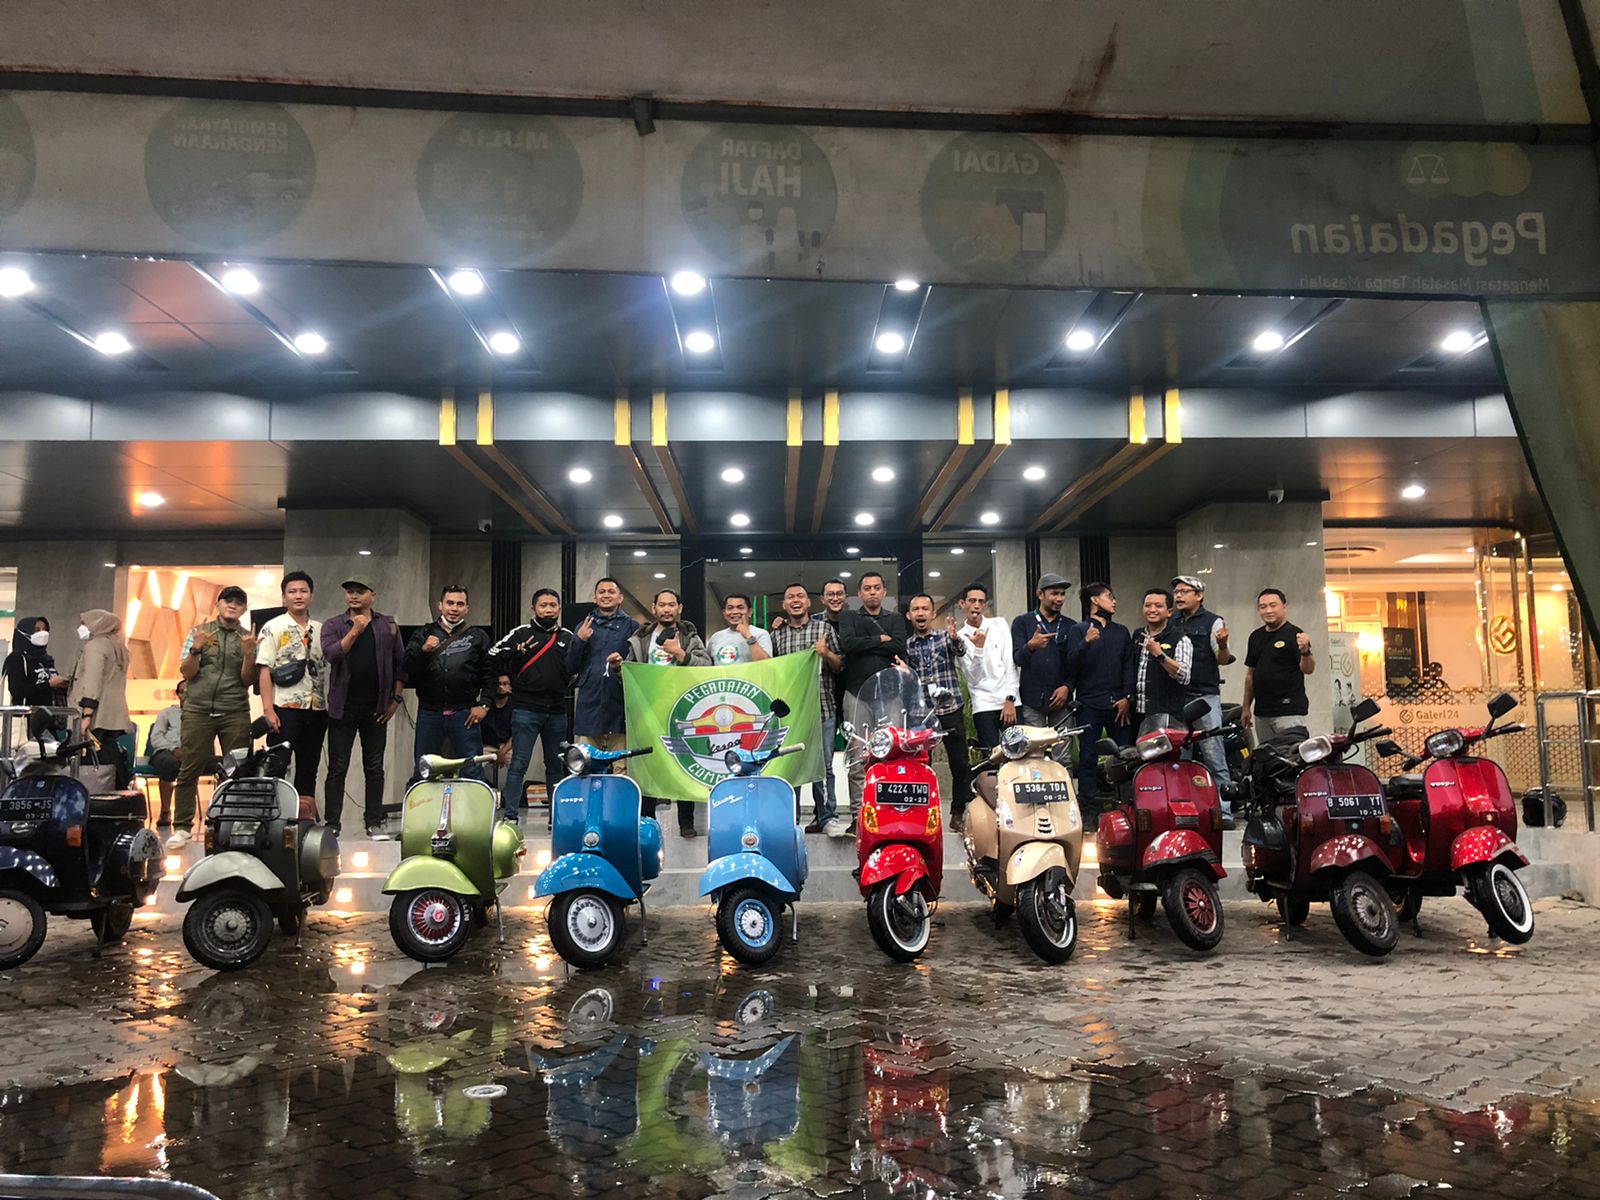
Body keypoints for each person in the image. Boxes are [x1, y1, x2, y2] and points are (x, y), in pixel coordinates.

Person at [169, 586, 257, 849]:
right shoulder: (200, 632)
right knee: (189, 769)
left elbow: (247, 680)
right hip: (198, 710)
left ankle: (235, 824)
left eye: (239, 602)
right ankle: (182, 827)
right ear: (218, 604)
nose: (232, 605)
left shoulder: (247, 637)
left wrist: (249, 654)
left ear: (244, 608)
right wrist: (196, 649)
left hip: (235, 710)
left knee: (238, 770)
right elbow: (186, 673)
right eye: (228, 600)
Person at [320, 575, 406, 839]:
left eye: (359, 591)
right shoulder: (334, 624)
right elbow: (332, 654)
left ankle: (374, 822)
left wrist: (396, 699)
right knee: (337, 767)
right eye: (349, 592)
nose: (354, 596)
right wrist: (355, 630)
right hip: (342, 708)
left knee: (374, 767)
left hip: (377, 708)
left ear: (373, 595)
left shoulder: (388, 625)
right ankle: (332, 823)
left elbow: (400, 664)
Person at [624, 587, 711, 836]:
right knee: (648, 764)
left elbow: (706, 666)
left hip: (682, 709)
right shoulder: (640, 638)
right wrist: (620, 668)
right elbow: (630, 673)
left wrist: (679, 653)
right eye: (661, 605)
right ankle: (647, 822)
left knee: (683, 762)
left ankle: (686, 822)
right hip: (648, 710)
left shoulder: (690, 637)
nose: (666, 609)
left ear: (679, 608)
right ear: (654, 609)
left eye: (671, 604)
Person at [489, 588, 575, 823]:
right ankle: (511, 817)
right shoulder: (521, 633)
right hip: (525, 709)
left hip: (557, 711)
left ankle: (557, 818)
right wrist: (516, 652)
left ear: (559, 608)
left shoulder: (568, 636)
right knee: (519, 764)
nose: (548, 610)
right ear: (534, 608)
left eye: (553, 605)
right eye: (543, 605)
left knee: (555, 766)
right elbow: (493, 654)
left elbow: (577, 667)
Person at [837, 571, 910, 837]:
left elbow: (899, 645)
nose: (872, 592)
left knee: (892, 753)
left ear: (884, 592)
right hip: (856, 693)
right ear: (859, 594)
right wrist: (880, 640)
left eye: (876, 588)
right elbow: (848, 644)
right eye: (866, 588)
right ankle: (858, 816)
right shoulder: (849, 617)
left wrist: (867, 644)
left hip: (890, 695)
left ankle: (890, 813)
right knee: (858, 756)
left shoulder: (895, 619)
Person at [770, 582, 843, 833]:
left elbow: (840, 666)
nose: (796, 600)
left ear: (809, 602)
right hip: (790, 713)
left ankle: (827, 817)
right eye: (790, 597)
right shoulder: (777, 635)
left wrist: (826, 654)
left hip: (823, 708)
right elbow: (772, 671)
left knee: (824, 766)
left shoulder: (824, 629)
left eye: (800, 596)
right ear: (784, 604)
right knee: (791, 765)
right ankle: (790, 821)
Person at [404, 585, 494, 783]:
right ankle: (423, 805)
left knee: (472, 770)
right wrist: (423, 650)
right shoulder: (423, 633)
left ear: (467, 608)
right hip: (429, 713)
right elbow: (407, 668)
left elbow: (490, 673)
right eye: (450, 603)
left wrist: (485, 704)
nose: (454, 608)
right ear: (440, 605)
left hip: (465, 713)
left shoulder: (478, 636)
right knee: (424, 770)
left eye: (460, 604)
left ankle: (472, 805)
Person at [254, 570, 329, 810]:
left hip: (316, 709)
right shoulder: (273, 627)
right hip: (284, 709)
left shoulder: (321, 629)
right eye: (292, 592)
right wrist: (268, 710)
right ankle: (273, 816)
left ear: (311, 596)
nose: (298, 596)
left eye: (303, 591)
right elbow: (264, 671)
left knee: (309, 768)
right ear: (284, 597)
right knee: (277, 766)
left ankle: (302, 817)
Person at [1064, 583, 1136, 826]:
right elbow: (1071, 667)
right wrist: (1085, 643)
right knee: (1087, 759)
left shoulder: (1121, 632)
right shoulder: (1078, 630)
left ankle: (1126, 808)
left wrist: (1127, 697)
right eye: (1109, 597)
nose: (1114, 601)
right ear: (1094, 600)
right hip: (1089, 705)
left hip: (1119, 705)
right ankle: (1089, 813)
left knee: (1125, 757)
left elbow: (1128, 666)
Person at [904, 594, 973, 831]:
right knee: (922, 765)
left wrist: (955, 637)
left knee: (960, 762)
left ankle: (957, 812)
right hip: (922, 712)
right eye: (916, 609)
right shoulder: (908, 645)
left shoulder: (945, 637)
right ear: (909, 615)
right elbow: (908, 676)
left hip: (950, 707)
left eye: (925, 609)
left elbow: (960, 650)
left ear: (933, 614)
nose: (920, 613)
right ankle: (923, 814)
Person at [1170, 575, 1236, 797]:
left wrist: (1223, 645)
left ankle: (1224, 810)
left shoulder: (1213, 621)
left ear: (1199, 596)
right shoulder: (1171, 621)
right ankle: (1183, 806)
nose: (1179, 596)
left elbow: (1222, 659)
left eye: (1184, 592)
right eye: (1177, 592)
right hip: (1177, 698)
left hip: (1204, 697)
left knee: (1213, 755)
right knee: (1178, 759)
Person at [568, 577, 640, 763]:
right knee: (585, 765)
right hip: (589, 706)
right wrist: (580, 640)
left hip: (620, 707)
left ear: (620, 598)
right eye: (601, 592)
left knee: (621, 766)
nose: (606, 595)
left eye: (611, 592)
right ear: (594, 597)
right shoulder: (584, 626)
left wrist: (620, 666)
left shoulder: (633, 626)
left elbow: (639, 667)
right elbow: (570, 666)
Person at [1241, 588, 1316, 743]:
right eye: (1263, 607)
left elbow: (1308, 669)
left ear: (1284, 607)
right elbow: (1250, 675)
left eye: (1273, 605)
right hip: (1262, 713)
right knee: (1266, 756)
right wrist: (1246, 707)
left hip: (1289, 712)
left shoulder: (1295, 634)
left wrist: (1305, 651)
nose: (1268, 610)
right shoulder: (1255, 637)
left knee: (1290, 754)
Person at [70, 609, 133, 790]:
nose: (82, 627)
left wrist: (86, 714)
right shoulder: (118, 647)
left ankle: (94, 795)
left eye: (85, 623)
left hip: (96, 714)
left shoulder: (95, 646)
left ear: (97, 624)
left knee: (92, 759)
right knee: (108, 754)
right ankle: (116, 790)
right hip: (112, 715)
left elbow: (93, 681)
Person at [953, 582, 1019, 756]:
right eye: (972, 601)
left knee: (1018, 754)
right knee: (992, 757)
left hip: (1010, 701)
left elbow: (1009, 663)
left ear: (985, 605)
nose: (976, 605)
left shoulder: (999, 624)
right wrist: (979, 648)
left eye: (981, 601)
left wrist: (1010, 698)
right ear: (962, 604)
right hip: (983, 704)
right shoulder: (959, 637)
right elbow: (973, 678)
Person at [1010, 573, 1073, 726]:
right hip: (1032, 699)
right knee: (1034, 741)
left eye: (1062, 594)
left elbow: (1076, 664)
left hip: (1061, 699)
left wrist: (1068, 687)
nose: (1060, 599)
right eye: (1054, 594)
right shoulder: (1022, 622)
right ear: (1040, 594)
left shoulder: (1071, 626)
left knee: (1062, 741)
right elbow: (1017, 659)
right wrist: (1031, 646)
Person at [1126, 588, 1194, 728]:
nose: (1152, 610)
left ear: (1169, 612)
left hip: (1166, 715)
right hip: (1137, 713)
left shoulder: (1180, 638)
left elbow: (1184, 676)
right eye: (1148, 605)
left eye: (1158, 606)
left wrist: (1159, 654)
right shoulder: (1138, 635)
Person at [146, 681, 186, 828]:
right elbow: (156, 737)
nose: (186, 695)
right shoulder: (167, 713)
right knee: (169, 763)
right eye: (182, 692)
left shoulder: (202, 715)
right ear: (178, 695)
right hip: (166, 751)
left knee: (224, 764)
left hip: (192, 752)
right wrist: (174, 749)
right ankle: (165, 811)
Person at [4, 616, 66, 706]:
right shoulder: (17, 658)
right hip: (29, 712)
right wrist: (48, 684)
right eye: (37, 630)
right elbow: (17, 690)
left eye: (45, 629)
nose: (43, 633)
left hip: (52, 711)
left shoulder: (47, 659)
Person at [707, 594, 772, 664]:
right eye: (730, 608)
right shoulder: (716, 637)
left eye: (740, 608)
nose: (735, 612)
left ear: (750, 612)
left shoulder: (761, 634)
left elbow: (766, 664)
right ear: (724, 613)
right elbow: (707, 664)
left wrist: (748, 635)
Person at [480, 675, 515, 771]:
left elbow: (516, 734)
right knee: (473, 766)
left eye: (505, 684)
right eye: (498, 684)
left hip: (508, 746)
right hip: (487, 746)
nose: (501, 687)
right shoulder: (486, 705)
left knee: (517, 766)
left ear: (510, 687)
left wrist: (503, 751)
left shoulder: (515, 707)